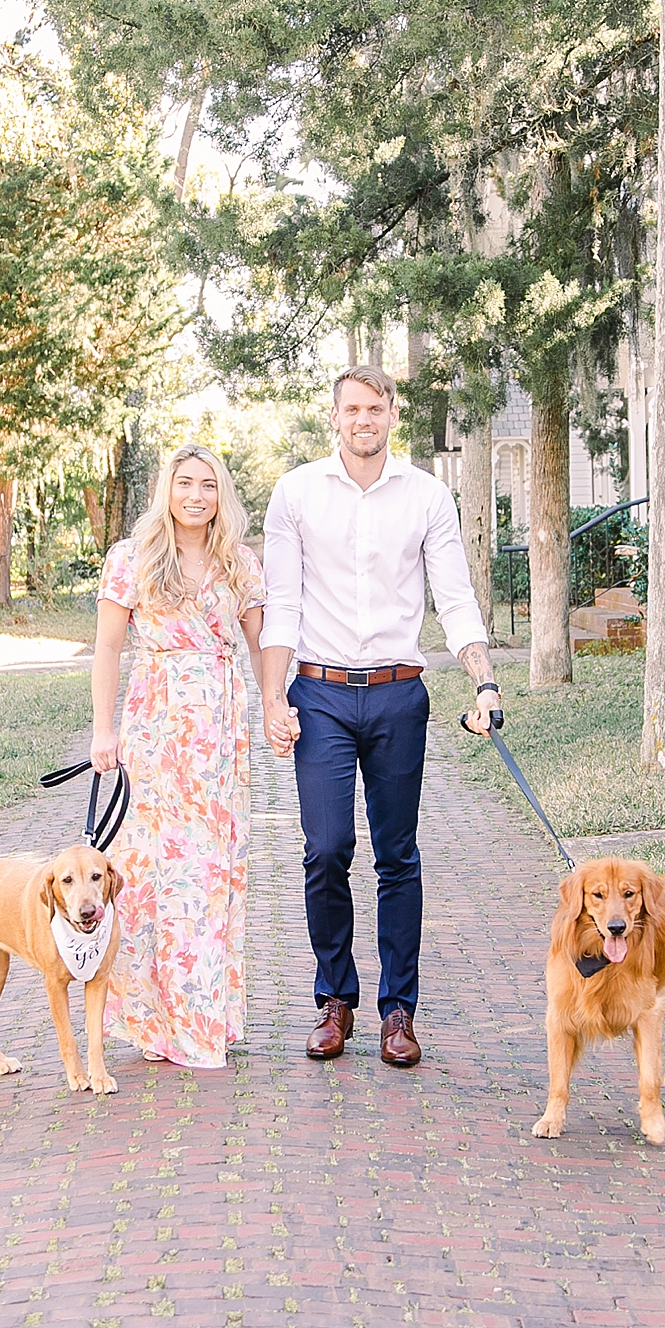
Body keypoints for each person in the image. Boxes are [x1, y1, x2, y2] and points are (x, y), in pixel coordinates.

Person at [259, 367, 502, 1069]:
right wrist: (272, 699)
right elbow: (282, 604)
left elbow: (455, 599)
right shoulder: (296, 492)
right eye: (352, 408)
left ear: (393, 414)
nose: (363, 419)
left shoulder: (426, 495)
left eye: (375, 407)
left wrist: (485, 684)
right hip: (321, 694)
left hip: (399, 693)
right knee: (326, 848)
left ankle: (399, 1012)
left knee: (397, 855)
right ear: (334, 416)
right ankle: (335, 1001)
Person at [90, 445, 266, 1069]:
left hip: (219, 732)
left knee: (210, 872)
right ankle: (154, 1022)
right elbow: (108, 648)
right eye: (185, 483)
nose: (196, 495)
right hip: (155, 726)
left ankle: (203, 1019)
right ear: (166, 489)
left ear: (223, 495)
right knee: (151, 872)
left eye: (208, 485)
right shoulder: (131, 557)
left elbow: (262, 644)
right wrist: (103, 731)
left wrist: (277, 704)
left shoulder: (239, 561)